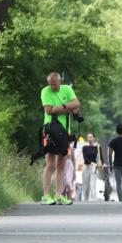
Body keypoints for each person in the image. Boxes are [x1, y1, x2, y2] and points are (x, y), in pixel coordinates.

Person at [40, 72, 80, 205]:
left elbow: (76, 103)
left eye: (55, 84)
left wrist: (62, 107)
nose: (52, 86)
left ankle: (59, 195)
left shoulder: (67, 89)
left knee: (62, 164)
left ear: (60, 81)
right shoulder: (45, 91)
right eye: (50, 84)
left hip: (65, 131)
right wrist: (68, 108)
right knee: (50, 163)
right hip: (50, 129)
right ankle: (45, 195)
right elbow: (49, 110)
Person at [80, 133, 99, 201]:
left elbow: (100, 158)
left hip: (94, 167)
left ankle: (93, 198)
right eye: (88, 137)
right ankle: (85, 198)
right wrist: (91, 163)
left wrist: (100, 164)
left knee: (92, 182)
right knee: (86, 183)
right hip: (87, 166)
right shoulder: (85, 147)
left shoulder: (97, 148)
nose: (89, 139)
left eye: (91, 137)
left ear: (94, 138)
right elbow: (85, 158)